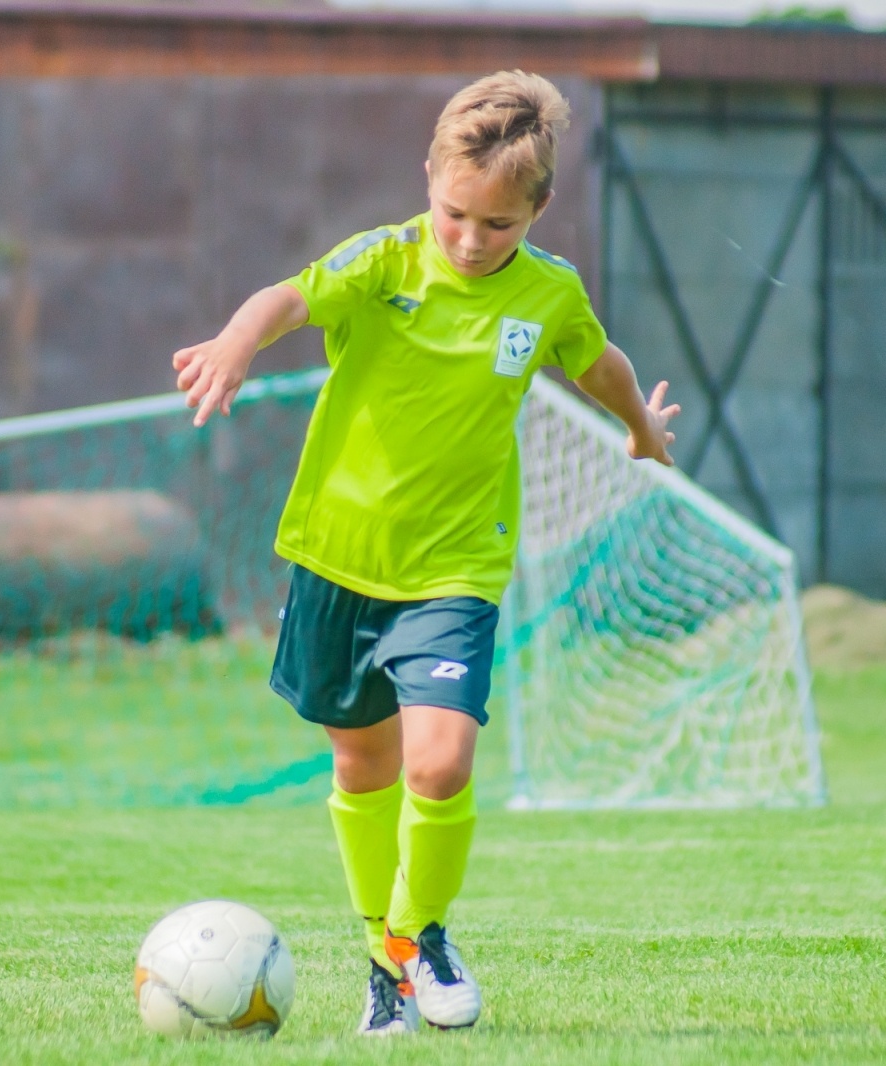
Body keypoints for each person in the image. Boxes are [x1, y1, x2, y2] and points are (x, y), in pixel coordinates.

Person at [172, 70, 680, 1035]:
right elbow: (286, 300)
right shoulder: (387, 261)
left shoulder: (548, 293)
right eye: (455, 215)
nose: (470, 240)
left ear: (538, 211)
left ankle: (420, 936)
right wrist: (237, 341)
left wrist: (639, 428)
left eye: (499, 226)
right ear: (429, 181)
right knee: (362, 771)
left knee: (439, 766)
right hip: (337, 556)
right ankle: (387, 967)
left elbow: (596, 358)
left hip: (457, 566)